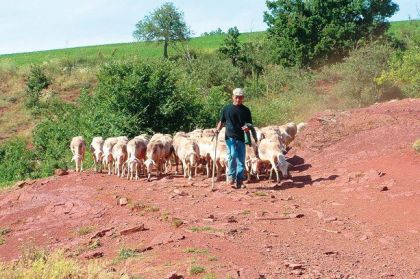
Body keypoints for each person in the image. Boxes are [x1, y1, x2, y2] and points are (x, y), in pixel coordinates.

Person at [216, 88, 256, 189]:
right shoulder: (227, 108)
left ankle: (239, 180)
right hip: (230, 136)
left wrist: (247, 127)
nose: (238, 99)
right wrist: (217, 129)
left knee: (241, 160)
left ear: (243, 98)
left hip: (241, 137)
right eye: (236, 97)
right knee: (232, 155)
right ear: (233, 97)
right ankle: (231, 177)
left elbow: (249, 123)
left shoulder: (246, 110)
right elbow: (222, 121)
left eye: (240, 97)